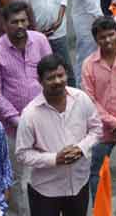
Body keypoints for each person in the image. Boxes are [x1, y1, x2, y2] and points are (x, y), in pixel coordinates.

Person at [0, 0, 52, 216]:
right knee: (21, 180)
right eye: (15, 22)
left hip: (46, 121)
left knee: (49, 172)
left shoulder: (40, 41)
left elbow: (52, 73)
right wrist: (18, 120)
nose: (20, 25)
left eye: (23, 20)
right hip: (14, 131)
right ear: (5, 25)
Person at [16, 53, 102, 215]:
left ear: (66, 75)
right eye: (50, 78)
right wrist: (54, 159)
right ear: (40, 81)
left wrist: (80, 148)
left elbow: (96, 130)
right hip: (46, 191)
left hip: (79, 184)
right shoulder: (30, 114)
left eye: (60, 75)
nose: (57, 81)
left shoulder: (81, 99)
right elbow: (22, 154)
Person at [81, 17, 116, 206]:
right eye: (102, 37)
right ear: (96, 40)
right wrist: (114, 122)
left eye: (111, 35)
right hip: (101, 131)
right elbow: (90, 101)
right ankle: (99, 207)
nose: (108, 40)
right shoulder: (89, 65)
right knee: (96, 171)